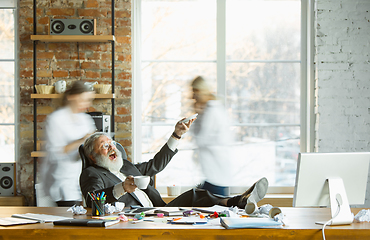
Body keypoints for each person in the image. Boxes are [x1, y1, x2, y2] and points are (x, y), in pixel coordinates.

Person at [79, 121, 269, 209]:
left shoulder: (126, 166)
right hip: (136, 217)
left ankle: (239, 202)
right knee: (196, 196)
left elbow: (155, 165)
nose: (112, 147)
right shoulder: (92, 173)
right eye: (105, 146)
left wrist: (177, 135)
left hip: (158, 210)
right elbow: (91, 199)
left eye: (112, 143)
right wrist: (122, 188)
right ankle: (239, 202)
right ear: (93, 157)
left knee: (196, 194)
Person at [41, 81, 96, 207]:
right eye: (84, 100)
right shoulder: (56, 119)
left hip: (80, 177)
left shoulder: (85, 119)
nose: (87, 104)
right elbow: (55, 153)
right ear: (71, 97)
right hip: (61, 179)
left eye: (89, 100)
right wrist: (82, 140)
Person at [190, 76, 236, 196]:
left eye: (194, 92)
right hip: (215, 173)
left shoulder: (211, 111)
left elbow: (200, 138)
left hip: (215, 173)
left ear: (200, 91)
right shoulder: (214, 108)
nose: (192, 97)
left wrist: (196, 114)